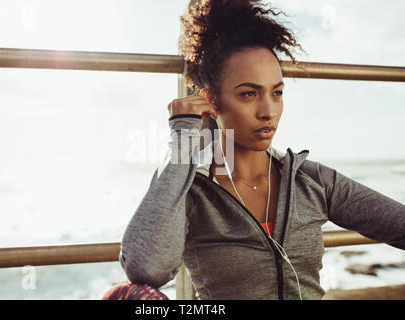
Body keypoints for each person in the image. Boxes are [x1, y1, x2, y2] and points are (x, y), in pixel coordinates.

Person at [105, 0, 405, 300]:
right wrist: (182, 140)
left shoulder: (312, 182)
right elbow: (146, 269)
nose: (268, 111)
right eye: (249, 94)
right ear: (210, 101)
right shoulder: (195, 195)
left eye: (276, 93)